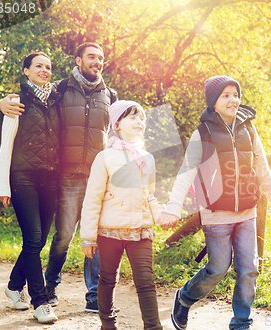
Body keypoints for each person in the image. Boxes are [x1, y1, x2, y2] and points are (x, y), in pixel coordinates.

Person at [158, 75, 271, 330]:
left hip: (247, 212)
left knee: (249, 268)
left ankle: (241, 323)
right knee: (218, 269)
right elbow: (187, 171)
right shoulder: (203, 132)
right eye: (225, 95)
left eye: (235, 94)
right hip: (216, 214)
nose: (233, 100)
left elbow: (262, 169)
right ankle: (184, 298)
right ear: (213, 102)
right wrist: (174, 205)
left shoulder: (249, 128)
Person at [0, 42, 117, 313]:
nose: (96, 61)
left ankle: (94, 297)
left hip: (96, 177)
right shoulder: (60, 90)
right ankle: (48, 287)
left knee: (93, 236)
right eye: (91, 57)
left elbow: (120, 129)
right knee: (60, 237)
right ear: (78, 60)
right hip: (65, 176)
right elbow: (19, 113)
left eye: (100, 58)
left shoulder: (110, 94)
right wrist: (2, 101)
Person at [80, 100, 176, 330]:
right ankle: (107, 324)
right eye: (132, 117)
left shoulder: (147, 158)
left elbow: (149, 196)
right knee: (107, 278)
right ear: (117, 123)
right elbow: (92, 199)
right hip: (110, 231)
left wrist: (161, 216)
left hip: (141, 230)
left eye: (141, 118)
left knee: (145, 281)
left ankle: (153, 326)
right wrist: (88, 237)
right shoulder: (104, 158)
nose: (139, 122)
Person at [0, 52, 60, 323]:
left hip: (51, 179)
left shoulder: (57, 99)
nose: (44, 70)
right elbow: (6, 144)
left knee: (40, 239)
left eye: (48, 67)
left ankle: (13, 286)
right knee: (33, 238)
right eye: (38, 66)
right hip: (23, 177)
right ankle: (40, 302)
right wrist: (3, 185)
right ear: (26, 71)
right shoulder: (15, 102)